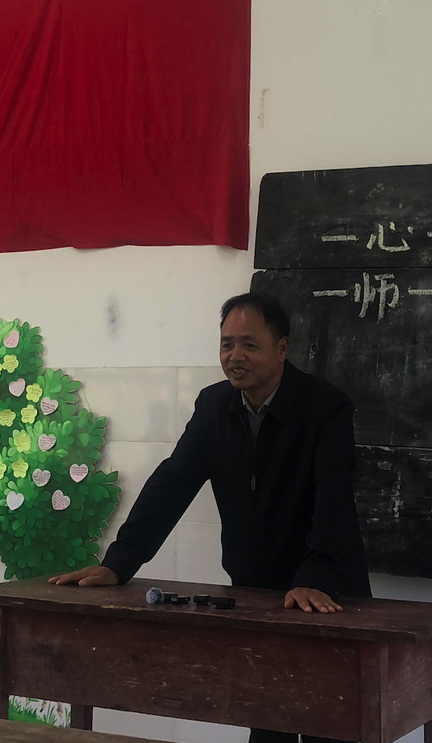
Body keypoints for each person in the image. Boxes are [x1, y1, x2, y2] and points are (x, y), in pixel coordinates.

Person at [50, 292, 371, 743]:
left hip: (326, 592)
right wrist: (119, 563)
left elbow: (334, 498)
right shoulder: (214, 406)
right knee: (268, 719)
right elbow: (172, 483)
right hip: (257, 593)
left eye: (249, 345)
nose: (235, 356)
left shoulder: (325, 407)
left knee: (332, 722)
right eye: (226, 344)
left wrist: (316, 575)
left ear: (282, 348)